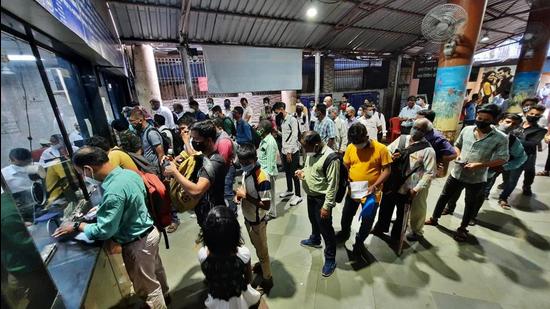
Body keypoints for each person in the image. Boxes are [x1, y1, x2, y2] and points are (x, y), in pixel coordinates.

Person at [53, 146, 169, 308]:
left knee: (148, 289)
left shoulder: (113, 191)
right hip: (150, 233)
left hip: (137, 244)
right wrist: (104, 208)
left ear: (88, 168)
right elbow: (132, 201)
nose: (83, 176)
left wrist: (78, 225)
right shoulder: (129, 174)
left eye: (81, 173)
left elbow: (103, 231)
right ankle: (166, 297)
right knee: (156, 272)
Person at [425, 104, 509, 241]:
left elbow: (503, 158)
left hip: (477, 178)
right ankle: (434, 218)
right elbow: (457, 145)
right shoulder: (467, 130)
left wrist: (480, 165)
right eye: (479, 117)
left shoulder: (501, 138)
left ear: (493, 120)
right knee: (444, 196)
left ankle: (463, 228)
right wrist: (457, 155)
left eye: (485, 119)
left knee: (470, 203)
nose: (481, 121)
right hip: (457, 172)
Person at [373, 119, 436, 243]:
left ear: (426, 132)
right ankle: (380, 228)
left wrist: (416, 189)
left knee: (402, 214)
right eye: (415, 127)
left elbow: (430, 173)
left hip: (407, 187)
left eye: (420, 129)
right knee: (385, 208)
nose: (415, 130)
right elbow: (387, 152)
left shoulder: (428, 150)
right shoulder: (402, 139)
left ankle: (396, 236)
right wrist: (391, 156)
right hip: (391, 183)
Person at [336, 123, 392, 261]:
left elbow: (387, 170)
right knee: (346, 214)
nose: (357, 146)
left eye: (359, 142)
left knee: (367, 220)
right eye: (354, 143)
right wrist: (347, 177)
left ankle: (359, 242)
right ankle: (345, 232)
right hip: (354, 189)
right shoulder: (351, 147)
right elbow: (346, 165)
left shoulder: (381, 149)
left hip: (372, 193)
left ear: (367, 137)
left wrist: (375, 185)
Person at [164, 120, 227, 227]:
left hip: (215, 217)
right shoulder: (204, 156)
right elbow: (193, 154)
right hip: (204, 213)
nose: (194, 142)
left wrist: (175, 172)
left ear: (208, 140)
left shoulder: (215, 162)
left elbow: (197, 191)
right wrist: (186, 142)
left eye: (197, 139)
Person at [197, 206, 262, 309]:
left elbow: (208, 278)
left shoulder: (202, 254)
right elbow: (248, 279)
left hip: (216, 295)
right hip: (238, 296)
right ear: (235, 233)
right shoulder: (243, 254)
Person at [296, 131, 340, 277]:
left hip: (322, 198)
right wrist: (302, 172)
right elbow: (309, 168)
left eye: (305, 147)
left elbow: (333, 186)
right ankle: (315, 238)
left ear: (316, 145)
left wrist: (326, 206)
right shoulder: (311, 152)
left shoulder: (331, 158)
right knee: (313, 220)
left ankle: (330, 259)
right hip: (311, 196)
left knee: (326, 230)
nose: (304, 150)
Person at [234, 144, 274, 293]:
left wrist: (247, 197)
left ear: (255, 159)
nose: (243, 166)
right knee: (258, 246)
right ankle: (261, 265)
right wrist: (239, 196)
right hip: (249, 217)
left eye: (246, 163)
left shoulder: (262, 178)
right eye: (242, 163)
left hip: (258, 221)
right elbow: (244, 188)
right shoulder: (247, 172)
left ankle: (268, 279)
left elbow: (266, 205)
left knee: (263, 251)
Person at [483, 113, 527, 209]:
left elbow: (522, 157)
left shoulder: (512, 141)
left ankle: (471, 216)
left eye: (514, 124)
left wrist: (504, 167)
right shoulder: (483, 131)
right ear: (500, 121)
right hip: (469, 169)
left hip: (487, 174)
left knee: (478, 196)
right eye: (508, 122)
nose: (510, 125)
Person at [272, 102, 303, 207]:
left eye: (276, 111)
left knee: (294, 173)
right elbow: (286, 135)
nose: (276, 113)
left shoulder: (292, 120)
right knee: (287, 172)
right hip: (285, 150)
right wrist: (277, 132)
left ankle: (298, 195)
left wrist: (289, 151)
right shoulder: (282, 121)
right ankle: (290, 190)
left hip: (292, 151)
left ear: (281, 109)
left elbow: (294, 136)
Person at [513, 103, 547, 196]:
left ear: (540, 116)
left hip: (528, 154)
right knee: (507, 169)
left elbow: (532, 143)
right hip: (512, 152)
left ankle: (527, 186)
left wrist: (512, 139)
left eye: (537, 115)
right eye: (531, 113)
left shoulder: (540, 130)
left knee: (529, 171)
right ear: (527, 113)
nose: (533, 116)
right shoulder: (517, 124)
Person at [416, 110, 458, 177]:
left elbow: (452, 154)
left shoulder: (437, 137)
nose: (415, 122)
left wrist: (438, 163)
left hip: (424, 171)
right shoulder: (417, 132)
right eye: (416, 120)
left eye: (419, 120)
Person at [212, 118, 237, 215]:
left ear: (219, 127)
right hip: (225, 169)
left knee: (227, 193)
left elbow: (223, 160)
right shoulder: (219, 137)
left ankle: (232, 212)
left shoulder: (223, 140)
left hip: (227, 169)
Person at [129, 108, 165, 175]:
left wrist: (163, 172)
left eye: (132, 121)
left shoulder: (151, 133)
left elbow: (161, 154)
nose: (131, 124)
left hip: (155, 170)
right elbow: (143, 149)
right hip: (149, 169)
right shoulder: (142, 133)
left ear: (140, 120)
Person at [256, 120, 279, 219]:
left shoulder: (270, 142)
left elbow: (271, 161)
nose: (257, 129)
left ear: (264, 129)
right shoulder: (264, 139)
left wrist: (268, 176)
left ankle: (271, 213)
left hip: (268, 173)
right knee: (265, 194)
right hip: (262, 170)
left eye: (259, 128)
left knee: (270, 194)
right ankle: (268, 211)